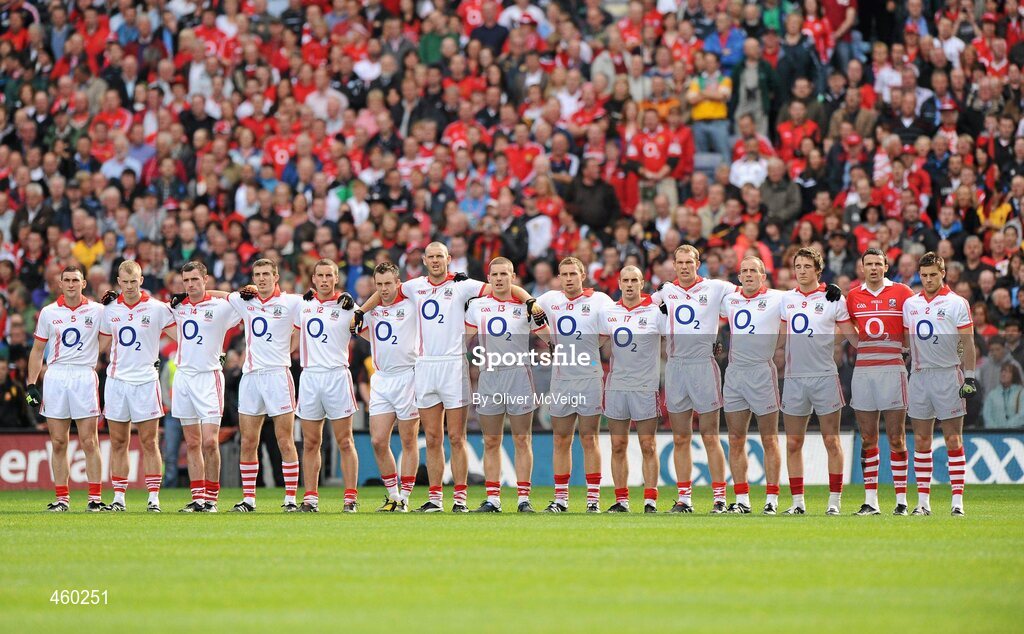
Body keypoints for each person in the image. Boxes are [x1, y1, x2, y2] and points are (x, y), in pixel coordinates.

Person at [352, 242, 541, 512]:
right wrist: (360, 310)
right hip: (426, 366)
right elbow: (383, 294)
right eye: (431, 257)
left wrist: (529, 300)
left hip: (454, 365)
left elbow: (503, 286)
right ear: (425, 260)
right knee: (432, 437)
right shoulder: (413, 286)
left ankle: (460, 500)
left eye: (440, 256)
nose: (435, 261)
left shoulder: (462, 285)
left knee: (456, 437)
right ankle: (435, 499)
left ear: (448, 259)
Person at [465, 257, 551, 513]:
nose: (500, 278)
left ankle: (523, 499)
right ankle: (493, 499)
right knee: (491, 440)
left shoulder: (526, 306)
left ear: (513, 277)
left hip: (518, 375)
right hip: (489, 376)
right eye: (495, 274)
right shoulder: (477, 306)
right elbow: (462, 340)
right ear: (489, 278)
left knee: (522, 439)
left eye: (505, 274)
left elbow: (548, 338)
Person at [654, 245, 734, 513]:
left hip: (703, 365)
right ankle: (684, 498)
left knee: (710, 435)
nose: (685, 266)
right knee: (680, 437)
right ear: (674, 265)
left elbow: (752, 294)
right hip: (675, 367)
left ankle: (720, 499)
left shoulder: (715, 288)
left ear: (698, 263)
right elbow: (638, 310)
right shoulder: (665, 292)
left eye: (689, 262)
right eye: (680, 262)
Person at [780, 247, 857, 515]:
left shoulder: (833, 298)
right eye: (797, 266)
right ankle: (797, 503)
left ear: (817, 270)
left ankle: (834, 503)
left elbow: (853, 335)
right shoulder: (785, 299)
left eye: (806, 267)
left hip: (825, 376)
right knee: (793, 443)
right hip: (793, 378)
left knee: (831, 440)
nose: (801, 271)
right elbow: (778, 338)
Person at [535, 256, 615, 513]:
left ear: (583, 276)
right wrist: (548, 339)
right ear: (559, 277)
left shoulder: (599, 300)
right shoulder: (549, 300)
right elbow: (530, 314)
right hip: (561, 380)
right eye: (564, 274)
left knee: (589, 438)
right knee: (561, 439)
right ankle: (560, 500)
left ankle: (593, 500)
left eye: (573, 274)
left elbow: (611, 328)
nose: (568, 279)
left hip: (589, 378)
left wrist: (593, 346)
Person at [224, 259, 304, 512]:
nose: (261, 278)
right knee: (248, 441)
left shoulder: (291, 302)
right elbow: (221, 295)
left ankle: (290, 499)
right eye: (257, 274)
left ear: (276, 276)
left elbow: (317, 306)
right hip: (251, 377)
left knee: (285, 440)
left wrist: (290, 348)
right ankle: (249, 499)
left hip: (278, 376)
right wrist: (187, 296)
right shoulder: (247, 300)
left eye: (266, 274)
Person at [26, 266, 107, 512]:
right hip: (57, 375)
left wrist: (94, 352)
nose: (71, 284)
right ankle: (62, 499)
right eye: (67, 280)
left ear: (83, 283)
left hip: (84, 374)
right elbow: (38, 350)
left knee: (89, 441)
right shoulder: (49, 313)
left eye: (76, 280)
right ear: (60, 284)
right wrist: (31, 383)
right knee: (59, 441)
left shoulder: (98, 310)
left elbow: (115, 328)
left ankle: (94, 499)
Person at [98, 261, 176, 512]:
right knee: (119, 442)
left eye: (134, 281)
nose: (130, 287)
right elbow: (98, 341)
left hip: (145, 382)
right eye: (125, 282)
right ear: (118, 282)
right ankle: (119, 498)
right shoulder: (109, 310)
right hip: (117, 381)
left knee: (149, 442)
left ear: (141, 280)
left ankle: (153, 498)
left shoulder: (157, 308)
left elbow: (183, 333)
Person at [903, 252, 976, 517]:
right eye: (924, 275)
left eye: (933, 274)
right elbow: (905, 341)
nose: (929, 279)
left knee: (953, 438)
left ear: (943, 273)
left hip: (948, 374)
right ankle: (923, 502)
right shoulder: (910, 304)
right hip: (919, 376)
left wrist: (969, 376)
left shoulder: (957, 303)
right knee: (921, 439)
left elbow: (967, 342)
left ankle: (957, 501)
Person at [845, 248, 915, 515]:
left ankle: (901, 501)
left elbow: (913, 326)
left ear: (886, 266)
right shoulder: (853, 296)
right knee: (867, 437)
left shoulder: (903, 293)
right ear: (862, 268)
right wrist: (858, 345)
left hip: (893, 371)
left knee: (896, 437)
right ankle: (871, 501)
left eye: (878, 263)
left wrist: (906, 350)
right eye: (868, 264)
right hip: (863, 371)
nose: (873, 268)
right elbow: (843, 323)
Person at [169, 261, 240, 513]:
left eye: (195, 280)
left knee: (210, 442)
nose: (190, 285)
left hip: (209, 378)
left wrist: (217, 293)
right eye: (186, 280)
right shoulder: (177, 308)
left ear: (205, 279)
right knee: (191, 443)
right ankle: (198, 497)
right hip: (184, 378)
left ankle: (212, 498)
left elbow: (245, 300)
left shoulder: (220, 307)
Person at [720, 256, 784, 514]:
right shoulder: (729, 299)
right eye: (744, 271)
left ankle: (772, 499)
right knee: (735, 439)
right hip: (735, 374)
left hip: (761, 373)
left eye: (753, 271)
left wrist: (828, 290)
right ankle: (743, 500)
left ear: (763, 276)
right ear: (739, 277)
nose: (748, 275)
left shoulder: (778, 298)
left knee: (769, 438)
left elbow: (808, 293)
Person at [599, 266, 665, 513]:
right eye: (625, 280)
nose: (629, 284)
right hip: (616, 386)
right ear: (618, 282)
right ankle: (621, 500)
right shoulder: (609, 313)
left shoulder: (655, 312)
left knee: (648, 444)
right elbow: (596, 342)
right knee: (618, 445)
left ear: (642, 283)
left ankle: (650, 500)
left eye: (634, 280)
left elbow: (675, 337)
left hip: (645, 386)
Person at [293, 259, 357, 512]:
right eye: (319, 275)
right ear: (313, 279)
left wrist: (354, 303)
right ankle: (310, 498)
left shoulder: (347, 306)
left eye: (329, 275)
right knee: (310, 442)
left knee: (345, 440)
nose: (324, 280)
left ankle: (350, 499)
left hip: (336, 376)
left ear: (336, 278)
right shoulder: (303, 304)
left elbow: (368, 322)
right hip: (310, 377)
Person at [358, 262, 421, 511]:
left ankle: (405, 497)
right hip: (382, 379)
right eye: (379, 284)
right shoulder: (370, 311)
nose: (384, 289)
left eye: (388, 283)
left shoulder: (411, 304)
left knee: (408, 440)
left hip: (409, 376)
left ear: (398, 283)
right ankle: (393, 496)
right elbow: (361, 330)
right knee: (378, 440)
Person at [982, 362, 1024, 428]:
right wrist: (995, 429)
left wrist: (1006, 428)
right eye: (1002, 371)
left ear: (1014, 375)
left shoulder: (1021, 393)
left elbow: (1022, 415)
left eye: (1007, 372)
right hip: (993, 434)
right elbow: (987, 415)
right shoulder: (992, 394)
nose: (1003, 374)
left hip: (1016, 433)